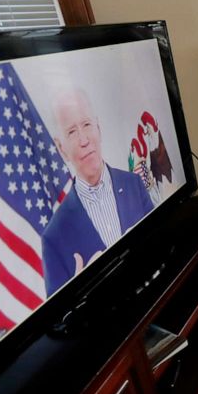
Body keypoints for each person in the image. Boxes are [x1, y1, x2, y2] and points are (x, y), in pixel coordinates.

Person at [41, 88, 154, 295]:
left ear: (98, 128)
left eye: (86, 124)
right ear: (60, 147)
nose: (84, 140)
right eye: (71, 132)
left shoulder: (134, 185)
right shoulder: (53, 237)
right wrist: (78, 292)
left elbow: (164, 244)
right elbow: (59, 324)